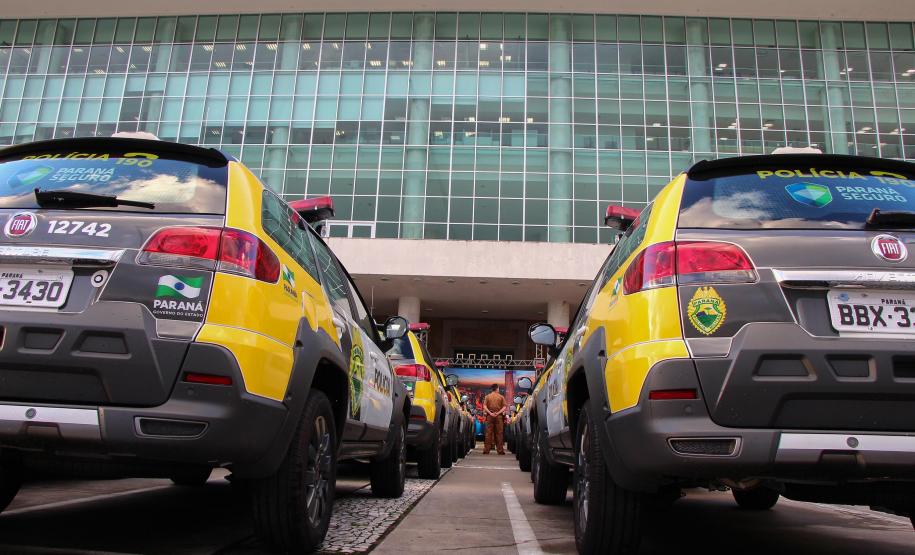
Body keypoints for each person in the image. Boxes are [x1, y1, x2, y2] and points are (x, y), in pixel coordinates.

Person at [482, 384, 507, 455]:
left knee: (488, 433)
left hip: (490, 417)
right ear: (497, 389)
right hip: (498, 417)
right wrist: (498, 413)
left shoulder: (487, 396)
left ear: (492, 389)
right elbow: (504, 407)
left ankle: (486, 450)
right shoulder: (501, 397)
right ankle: (500, 450)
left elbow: (484, 406)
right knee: (499, 434)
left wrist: (490, 413)